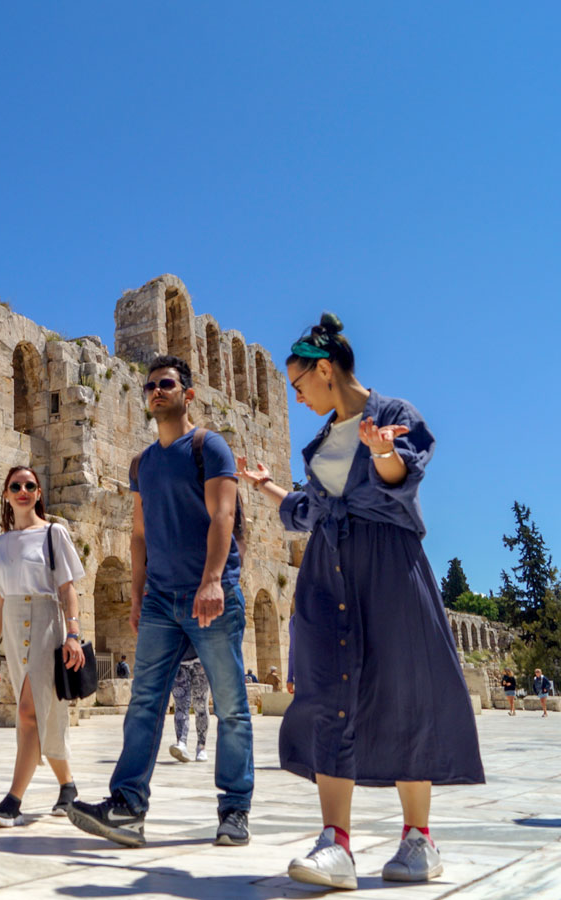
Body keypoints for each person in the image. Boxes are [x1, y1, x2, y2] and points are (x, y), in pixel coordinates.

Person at [237, 313, 484, 889]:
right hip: (329, 569)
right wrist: (269, 485)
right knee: (325, 691)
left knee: (405, 689)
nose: (296, 398)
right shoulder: (321, 441)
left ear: (325, 369)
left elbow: (402, 478)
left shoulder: (395, 416)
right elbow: (313, 509)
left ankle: (418, 840)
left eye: (298, 385)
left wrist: (379, 454)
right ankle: (336, 844)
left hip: (389, 566)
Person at [67, 354, 253, 849]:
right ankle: (128, 807)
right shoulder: (141, 464)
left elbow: (223, 516)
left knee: (231, 705)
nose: (155, 391)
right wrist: (136, 593)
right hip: (159, 602)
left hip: (208, 596)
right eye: (149, 386)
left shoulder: (208, 447)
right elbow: (138, 535)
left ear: (187, 393)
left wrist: (213, 580)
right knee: (145, 703)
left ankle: (234, 809)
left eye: (165, 384)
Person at [0, 466, 86, 827]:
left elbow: (67, 588)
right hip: (12, 623)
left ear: (39, 493)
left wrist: (73, 634)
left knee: (29, 711)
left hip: (45, 623)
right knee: (45, 712)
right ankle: (67, 786)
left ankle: (13, 801)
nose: (23, 490)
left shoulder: (54, 533)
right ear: (7, 495)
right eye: (16, 486)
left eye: (30, 485)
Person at [169, 648, 209, 763]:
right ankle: (181, 743)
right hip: (178, 661)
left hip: (200, 660)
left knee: (200, 705)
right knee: (180, 706)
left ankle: (201, 746)